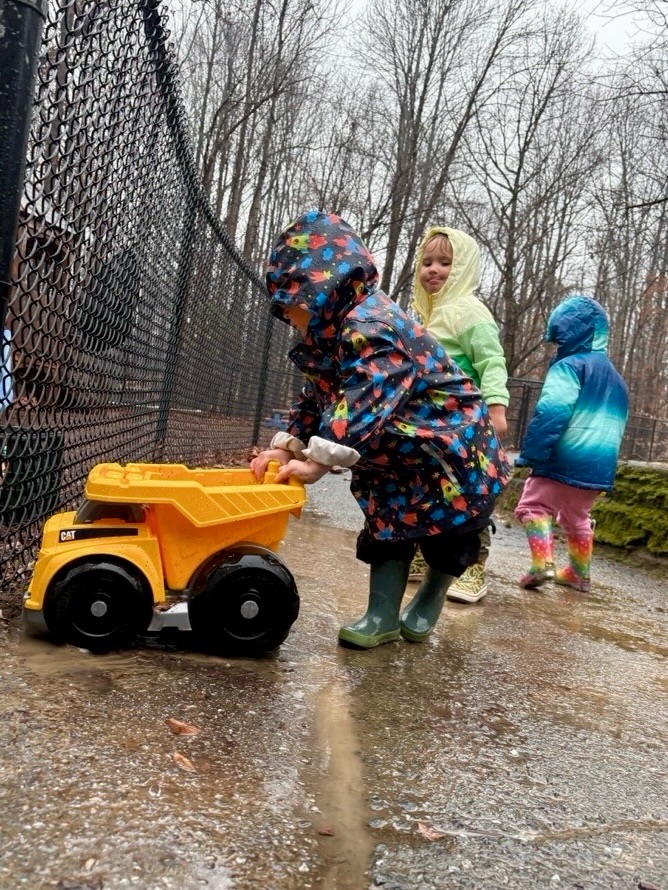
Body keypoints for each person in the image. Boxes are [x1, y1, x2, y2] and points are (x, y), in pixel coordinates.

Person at [250, 210, 510, 649]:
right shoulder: (327, 337)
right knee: (386, 524)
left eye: (293, 306)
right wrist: (292, 447)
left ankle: (430, 595)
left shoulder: (373, 326)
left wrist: (318, 458)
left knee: (451, 536)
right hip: (393, 452)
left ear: (324, 291)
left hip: (447, 446)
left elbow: (367, 396)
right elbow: (319, 397)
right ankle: (382, 615)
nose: (289, 318)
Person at [410, 226, 510, 603]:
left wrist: (496, 408)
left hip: (468, 425)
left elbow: (492, 361)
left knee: (469, 496)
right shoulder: (423, 314)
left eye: (446, 263)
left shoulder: (469, 311)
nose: (434, 269)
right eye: (427, 262)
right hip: (433, 425)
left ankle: (472, 568)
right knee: (430, 492)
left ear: (464, 267)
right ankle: (425, 558)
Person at [514, 294, 628, 593]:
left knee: (533, 506)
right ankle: (579, 573)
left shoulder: (569, 366)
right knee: (576, 516)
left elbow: (552, 412)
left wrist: (534, 453)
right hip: (599, 467)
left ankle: (542, 564)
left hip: (565, 456)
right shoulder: (618, 379)